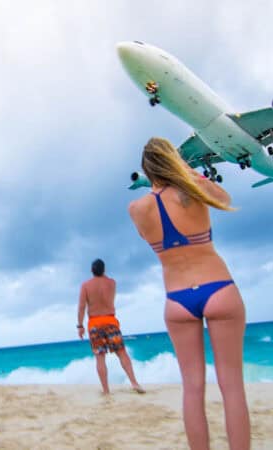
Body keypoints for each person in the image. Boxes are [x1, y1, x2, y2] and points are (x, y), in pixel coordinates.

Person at [127, 137, 250, 450]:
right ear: (174, 161)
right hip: (218, 288)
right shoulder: (191, 191)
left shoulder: (137, 208)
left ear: (146, 170)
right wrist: (188, 172)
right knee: (232, 386)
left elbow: (146, 235)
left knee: (192, 389)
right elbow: (224, 196)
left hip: (178, 300)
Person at [77, 258, 145, 395]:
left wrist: (80, 325)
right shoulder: (112, 283)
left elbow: (82, 307)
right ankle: (134, 383)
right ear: (104, 269)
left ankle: (106, 390)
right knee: (122, 353)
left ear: (91, 270)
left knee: (100, 357)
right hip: (110, 321)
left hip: (95, 323)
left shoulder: (86, 285)